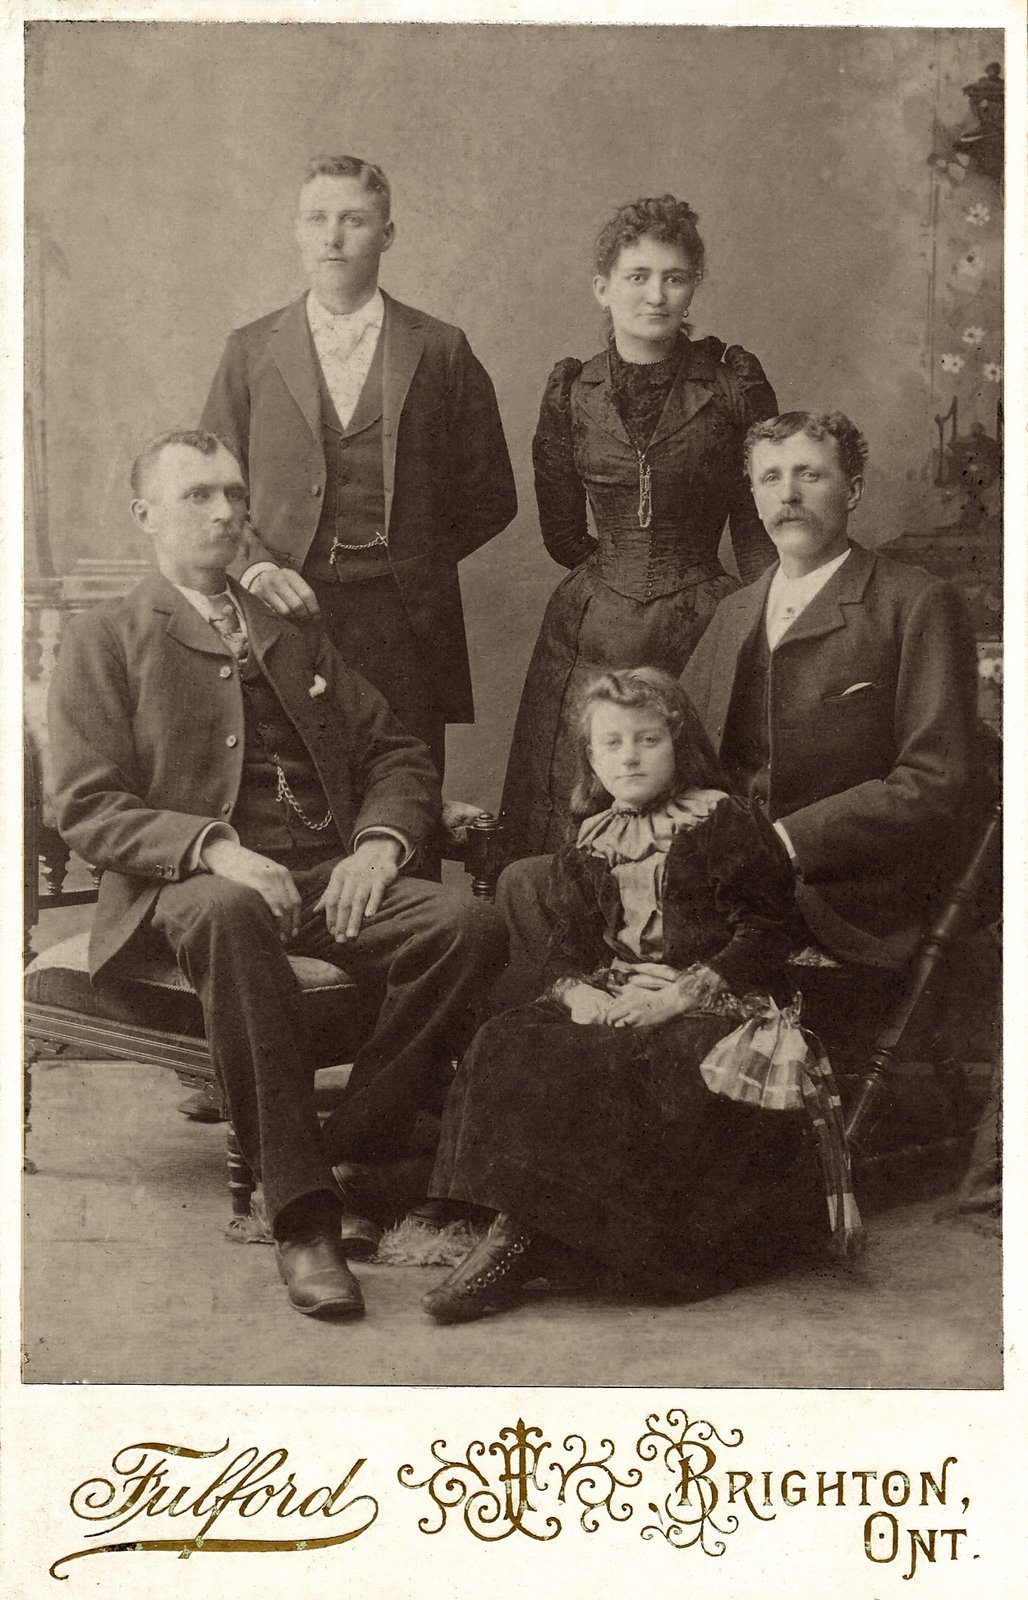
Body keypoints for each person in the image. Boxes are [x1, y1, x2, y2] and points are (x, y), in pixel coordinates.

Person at [48, 429, 506, 1323]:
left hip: (327, 876)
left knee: (468, 925)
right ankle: (304, 1217)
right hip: (182, 890)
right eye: (198, 497)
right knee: (229, 912)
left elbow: (396, 751)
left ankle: (355, 1151)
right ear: (145, 515)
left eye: (233, 494)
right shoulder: (104, 638)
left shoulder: (287, 629)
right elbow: (85, 803)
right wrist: (215, 846)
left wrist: (378, 846)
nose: (225, 512)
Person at [492, 409, 981, 1013]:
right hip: (711, 875)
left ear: (853, 490)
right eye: (770, 478)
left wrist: (782, 843)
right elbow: (680, 763)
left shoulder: (915, 603)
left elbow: (933, 782)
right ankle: (597, 1026)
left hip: (828, 888)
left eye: (810, 475)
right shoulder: (736, 610)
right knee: (527, 886)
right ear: (751, 496)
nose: (789, 495)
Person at [422, 669, 858, 1326]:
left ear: (678, 744)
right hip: (623, 994)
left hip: (729, 1004)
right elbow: (568, 947)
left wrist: (686, 991)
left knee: (651, 1059)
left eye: (647, 739)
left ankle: (542, 1242)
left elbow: (769, 930)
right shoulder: (590, 839)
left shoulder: (725, 820)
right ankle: (528, 1226)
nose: (629, 756)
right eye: (612, 743)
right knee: (511, 1036)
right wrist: (579, 995)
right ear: (592, 760)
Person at [200, 154, 517, 780]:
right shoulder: (250, 349)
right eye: (317, 219)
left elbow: (491, 495)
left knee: (405, 781)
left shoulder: (441, 347)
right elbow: (209, 487)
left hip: (405, 619)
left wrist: (415, 555)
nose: (333, 236)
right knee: (288, 786)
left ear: (387, 234)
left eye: (354, 219)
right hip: (281, 606)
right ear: (297, 231)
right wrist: (258, 566)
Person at [499, 194, 778, 859]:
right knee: (569, 822)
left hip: (704, 624)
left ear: (692, 289)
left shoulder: (731, 384)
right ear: (603, 287)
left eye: (675, 277)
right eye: (637, 276)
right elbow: (563, 533)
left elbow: (758, 530)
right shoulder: (572, 391)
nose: (656, 295)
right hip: (590, 628)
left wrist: (755, 624)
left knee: (692, 819)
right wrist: (619, 572)